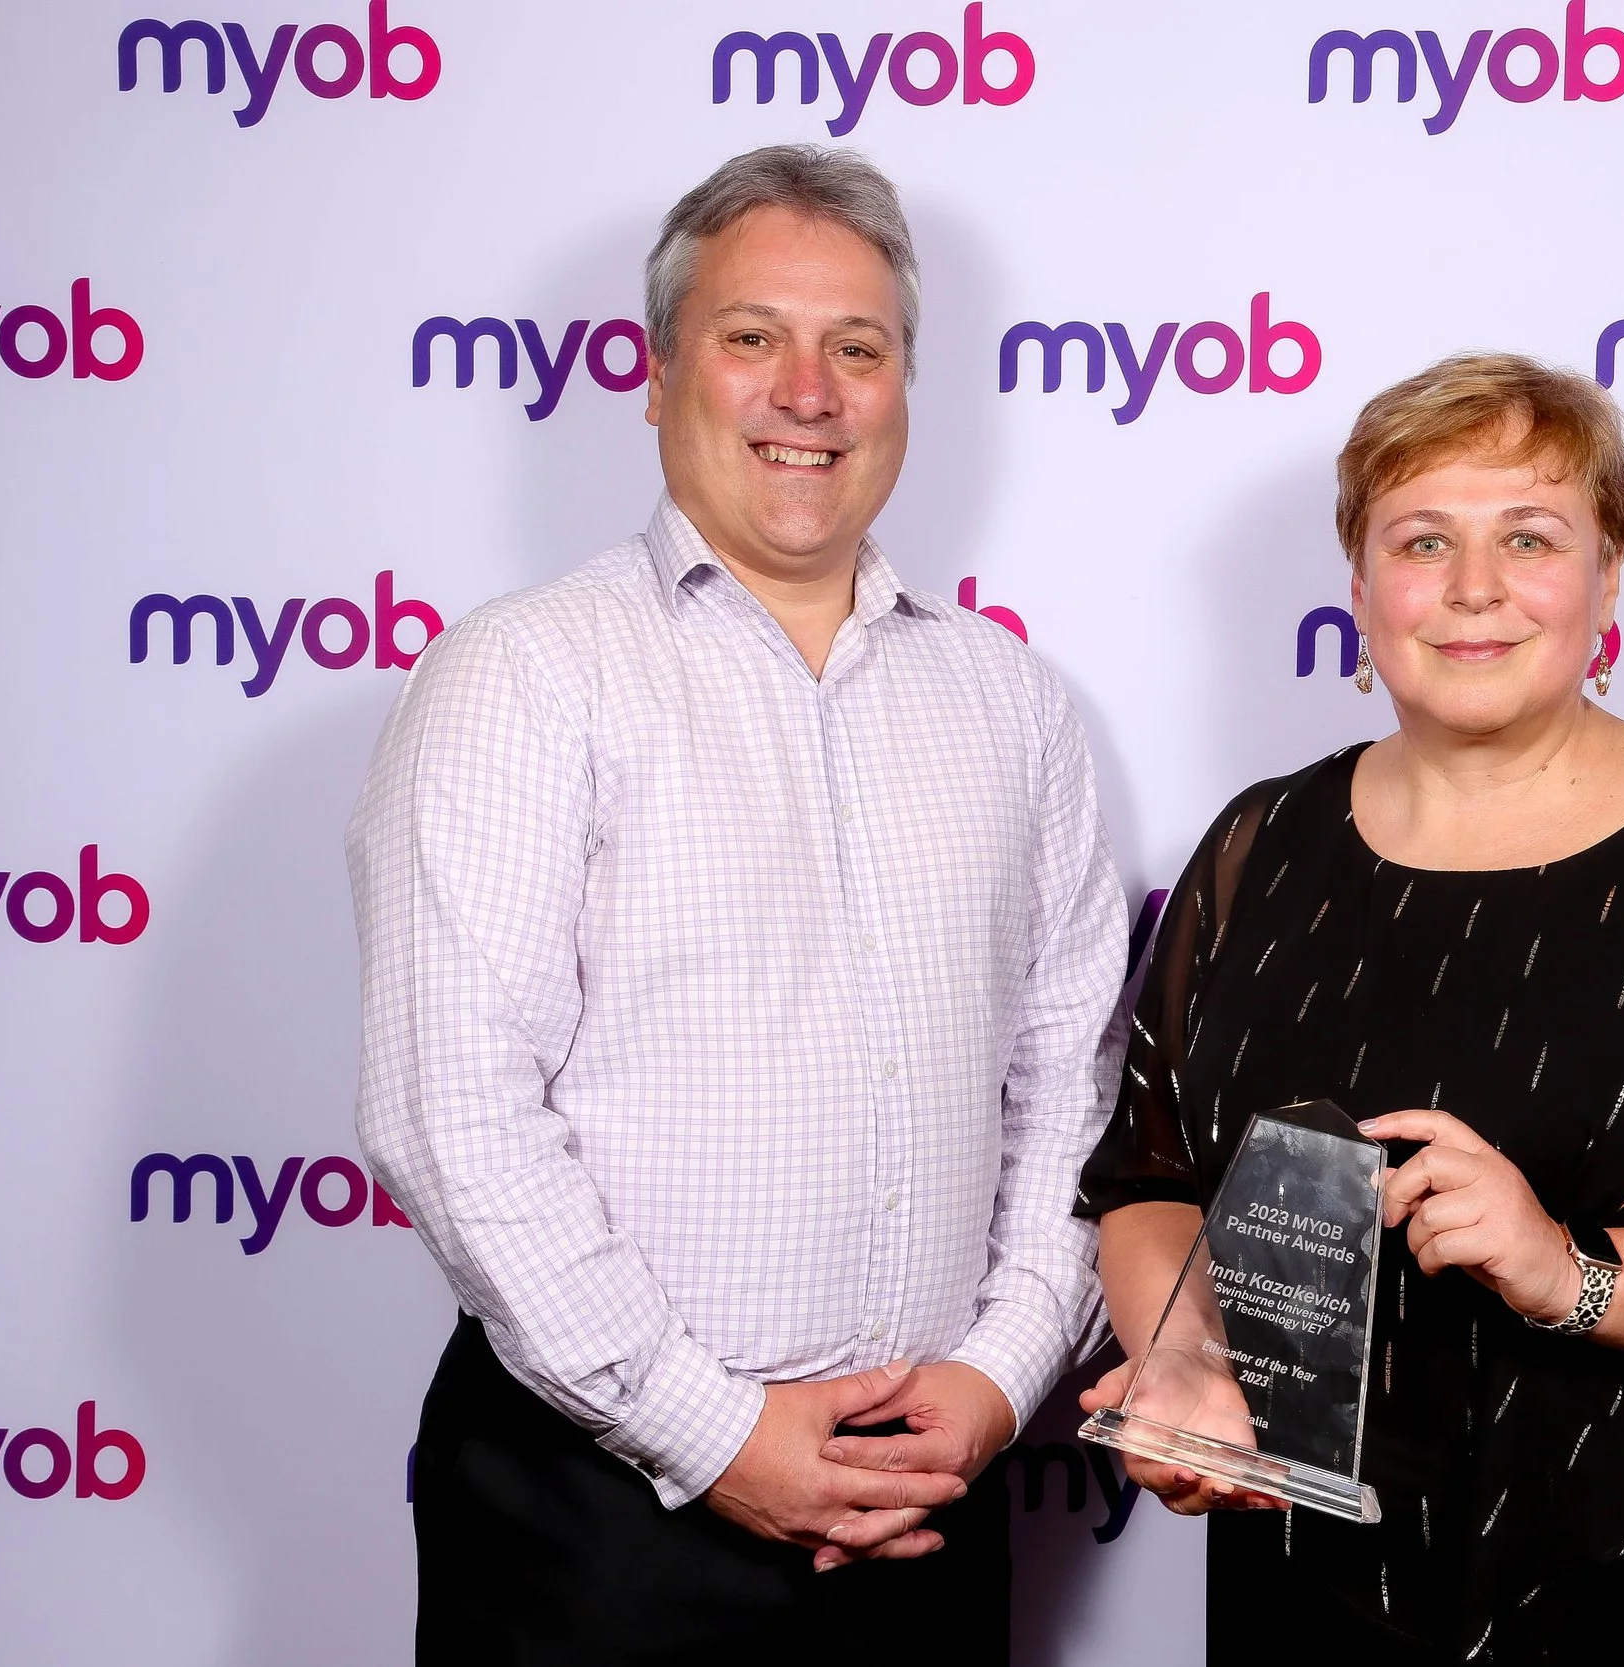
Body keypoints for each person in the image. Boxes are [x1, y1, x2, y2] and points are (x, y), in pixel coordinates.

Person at [348, 145, 1128, 1664]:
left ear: (907, 386)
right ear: (655, 375)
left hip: (926, 1506)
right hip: (600, 1521)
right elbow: (452, 1111)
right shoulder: (520, 676)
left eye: (859, 347)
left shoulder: (1013, 705)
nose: (809, 391)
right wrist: (717, 1435)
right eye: (752, 336)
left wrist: (992, 1377)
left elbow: (1072, 1078)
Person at [1076, 354, 1624, 1664]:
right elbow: (1152, 1182)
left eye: (1528, 536)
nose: (1474, 588)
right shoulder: (1257, 845)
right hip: (1312, 1599)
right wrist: (1186, 1359)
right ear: (1362, 588)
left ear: (1608, 575)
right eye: (1424, 540)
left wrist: (1566, 1269)